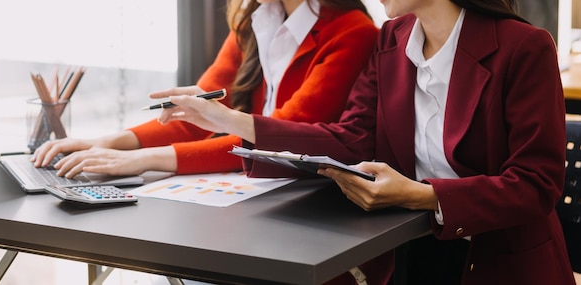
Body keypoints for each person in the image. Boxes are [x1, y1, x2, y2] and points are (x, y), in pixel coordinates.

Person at [153, 0, 577, 283]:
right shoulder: (391, 38)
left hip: (503, 264)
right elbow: (352, 139)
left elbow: (535, 185)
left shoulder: (525, 48)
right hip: (412, 252)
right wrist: (234, 122)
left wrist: (422, 195)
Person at [32, 0, 393, 284]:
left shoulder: (352, 32)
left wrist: (145, 159)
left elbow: (276, 139)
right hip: (252, 210)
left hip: (306, 221)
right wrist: (108, 142)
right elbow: (196, 118)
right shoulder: (256, 20)